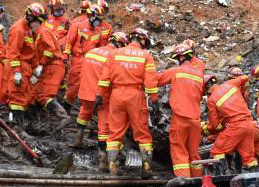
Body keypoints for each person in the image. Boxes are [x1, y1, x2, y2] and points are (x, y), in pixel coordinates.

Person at [99, 27, 158, 176]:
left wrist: (100, 96)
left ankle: (112, 166)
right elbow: (150, 81)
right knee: (142, 132)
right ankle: (146, 168)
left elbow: (105, 79)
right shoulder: (146, 55)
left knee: (114, 132)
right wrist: (154, 99)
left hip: (116, 95)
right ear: (143, 40)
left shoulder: (114, 54)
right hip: (135, 95)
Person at [75, 32, 126, 169]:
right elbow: (112, 78)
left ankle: (78, 138)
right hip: (102, 96)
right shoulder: (113, 57)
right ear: (120, 44)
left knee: (84, 113)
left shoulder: (92, 52)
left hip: (86, 92)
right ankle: (102, 161)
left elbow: (82, 72)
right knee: (104, 127)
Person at [157, 41, 207, 177]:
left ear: (180, 58)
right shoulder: (199, 74)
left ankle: (184, 184)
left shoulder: (176, 71)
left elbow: (157, 79)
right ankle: (197, 181)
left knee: (179, 150)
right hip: (196, 119)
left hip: (180, 117)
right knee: (194, 153)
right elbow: (200, 64)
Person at [203, 73, 259, 173]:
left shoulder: (211, 100)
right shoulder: (231, 84)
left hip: (236, 126)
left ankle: (221, 176)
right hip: (249, 124)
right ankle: (254, 179)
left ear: (206, 89)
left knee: (217, 150)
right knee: (249, 159)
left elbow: (216, 125)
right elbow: (245, 78)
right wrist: (242, 91)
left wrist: (222, 128)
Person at [5, 3, 46, 127]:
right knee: (17, 97)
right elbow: (13, 52)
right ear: (30, 17)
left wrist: (36, 68)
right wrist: (16, 72)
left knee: (24, 96)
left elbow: (31, 51)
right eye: (38, 21)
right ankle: (16, 128)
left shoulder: (28, 30)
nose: (39, 25)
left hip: (25, 67)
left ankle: (19, 126)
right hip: (17, 66)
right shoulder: (18, 29)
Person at [32, 6, 69, 117]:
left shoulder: (42, 32)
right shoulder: (40, 32)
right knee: (36, 93)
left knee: (45, 95)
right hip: (51, 66)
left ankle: (63, 115)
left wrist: (41, 65)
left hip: (54, 66)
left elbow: (50, 50)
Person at [63, 0, 93, 107]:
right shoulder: (78, 24)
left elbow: (68, 41)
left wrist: (66, 55)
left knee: (74, 82)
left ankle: (68, 102)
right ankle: (70, 103)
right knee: (83, 83)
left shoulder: (76, 22)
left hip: (79, 58)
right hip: (87, 60)